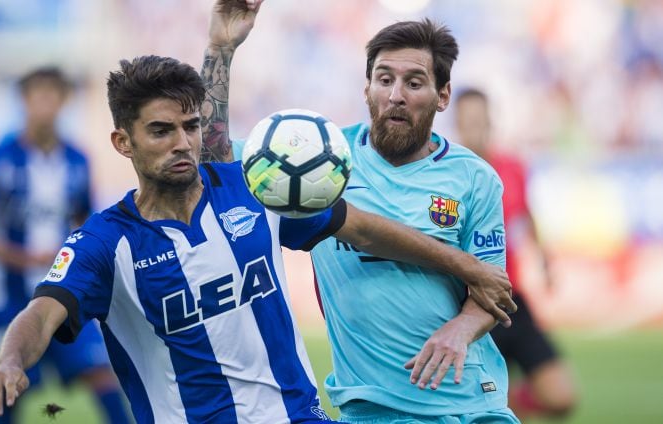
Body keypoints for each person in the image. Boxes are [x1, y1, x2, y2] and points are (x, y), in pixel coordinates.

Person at [0, 55, 515, 424]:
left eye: (190, 127)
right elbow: (43, 311)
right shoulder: (104, 241)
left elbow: (362, 225)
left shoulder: (256, 189)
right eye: (161, 131)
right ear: (123, 142)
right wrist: (10, 360)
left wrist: (467, 267)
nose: (183, 143)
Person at [201, 1, 520, 422]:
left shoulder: (474, 178)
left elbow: (490, 289)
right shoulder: (318, 159)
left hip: (470, 403)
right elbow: (214, 157)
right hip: (372, 409)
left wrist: (458, 332)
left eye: (414, 83)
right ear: (366, 88)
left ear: (442, 96)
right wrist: (221, 48)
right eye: (384, 79)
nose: (396, 95)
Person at [0, 66, 129, 424]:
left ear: (64, 101)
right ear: (24, 102)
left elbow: (85, 223)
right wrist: (22, 258)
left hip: (60, 290)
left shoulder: (77, 161)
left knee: (101, 372)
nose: (46, 105)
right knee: (9, 385)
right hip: (4, 297)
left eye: (54, 96)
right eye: (38, 96)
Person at [453, 88, 578, 419]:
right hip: (471, 305)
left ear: (490, 121)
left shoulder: (512, 167)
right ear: (457, 124)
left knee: (561, 398)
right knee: (485, 408)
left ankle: (509, 400)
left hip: (514, 300)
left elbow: (527, 213)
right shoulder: (448, 175)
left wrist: (544, 260)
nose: (475, 128)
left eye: (480, 120)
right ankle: (501, 403)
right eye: (467, 122)